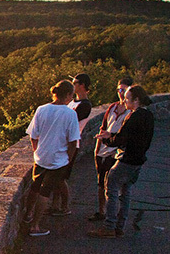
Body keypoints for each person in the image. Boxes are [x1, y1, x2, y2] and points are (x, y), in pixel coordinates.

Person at [88, 85, 154, 238]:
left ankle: (109, 227)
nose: (124, 101)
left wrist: (106, 140)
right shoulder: (148, 115)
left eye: (127, 98)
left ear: (136, 100)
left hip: (126, 160)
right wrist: (111, 135)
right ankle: (120, 227)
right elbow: (134, 137)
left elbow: (121, 140)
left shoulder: (133, 116)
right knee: (125, 193)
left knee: (111, 189)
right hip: (138, 161)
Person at [23, 80, 81, 237]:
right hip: (58, 159)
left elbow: (33, 136)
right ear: (68, 95)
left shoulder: (41, 109)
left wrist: (37, 151)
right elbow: (73, 141)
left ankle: (28, 214)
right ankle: (35, 226)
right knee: (45, 192)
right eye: (72, 95)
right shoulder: (70, 114)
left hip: (41, 157)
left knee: (35, 187)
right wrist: (68, 159)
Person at [89, 76, 133, 222]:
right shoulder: (112, 107)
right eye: (119, 90)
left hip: (115, 153)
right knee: (101, 183)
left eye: (123, 90)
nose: (120, 93)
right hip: (102, 150)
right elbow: (103, 128)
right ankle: (101, 211)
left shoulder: (131, 112)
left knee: (112, 186)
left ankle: (111, 215)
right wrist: (97, 150)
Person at [49, 73, 93, 214]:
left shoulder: (85, 105)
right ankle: (55, 205)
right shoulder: (73, 103)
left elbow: (68, 121)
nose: (73, 86)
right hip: (62, 142)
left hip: (72, 144)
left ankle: (65, 206)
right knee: (57, 176)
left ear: (82, 85)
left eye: (75, 83)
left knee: (61, 177)